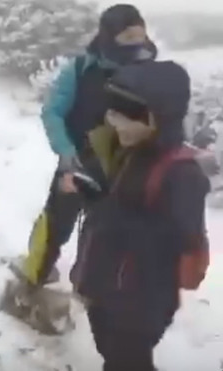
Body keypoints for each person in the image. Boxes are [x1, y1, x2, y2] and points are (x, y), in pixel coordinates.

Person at [1, 4, 158, 332]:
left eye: (139, 34)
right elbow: (53, 111)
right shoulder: (82, 69)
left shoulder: (151, 73)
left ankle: (88, 292)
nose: (136, 42)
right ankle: (34, 276)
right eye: (127, 35)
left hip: (122, 173)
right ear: (107, 34)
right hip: (77, 166)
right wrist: (67, 154)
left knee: (101, 236)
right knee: (54, 224)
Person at [71, 60, 210, 371]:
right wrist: (94, 196)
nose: (117, 123)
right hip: (106, 286)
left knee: (126, 361)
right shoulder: (129, 151)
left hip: (141, 300)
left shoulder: (181, 174)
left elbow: (180, 238)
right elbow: (121, 207)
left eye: (130, 116)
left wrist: (113, 215)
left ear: (161, 118)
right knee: (108, 348)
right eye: (114, 111)